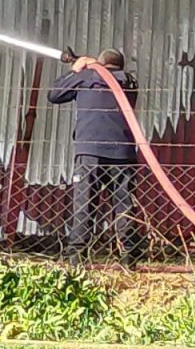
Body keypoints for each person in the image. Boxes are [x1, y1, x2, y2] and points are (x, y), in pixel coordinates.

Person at [48, 49, 141, 263]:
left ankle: (77, 257)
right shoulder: (129, 82)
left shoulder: (86, 77)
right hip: (123, 154)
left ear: (100, 62)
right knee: (124, 205)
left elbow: (54, 95)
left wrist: (75, 69)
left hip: (90, 153)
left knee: (84, 204)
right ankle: (128, 256)